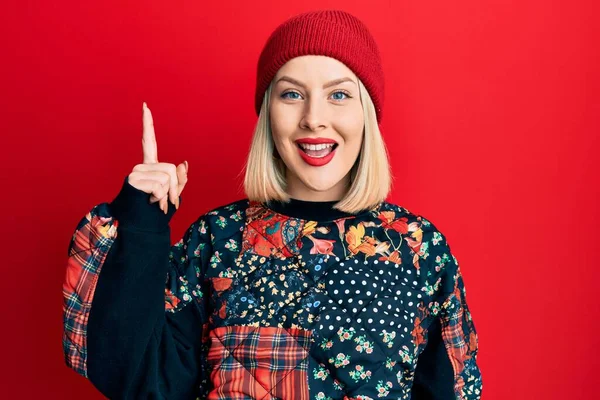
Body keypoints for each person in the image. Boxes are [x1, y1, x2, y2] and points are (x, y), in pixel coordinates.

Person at [62, 9, 483, 400]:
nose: (313, 118)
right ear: (268, 115)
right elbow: (136, 379)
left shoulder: (417, 247)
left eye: (338, 95)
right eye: (291, 95)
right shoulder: (217, 238)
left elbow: (456, 390)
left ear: (366, 115)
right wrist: (141, 222)